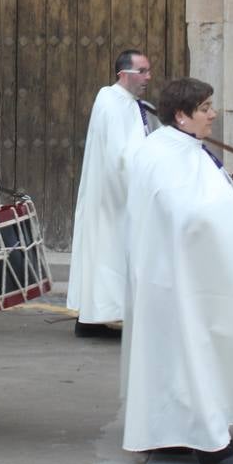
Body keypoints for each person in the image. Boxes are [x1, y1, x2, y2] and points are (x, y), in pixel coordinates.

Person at [120, 78, 233, 464]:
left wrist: (231, 206)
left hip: (180, 272)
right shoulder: (163, 153)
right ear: (181, 115)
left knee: (176, 357)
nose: (213, 114)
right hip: (171, 277)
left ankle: (171, 432)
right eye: (205, 107)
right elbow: (181, 213)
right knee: (189, 355)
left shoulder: (180, 148)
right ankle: (213, 446)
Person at [66, 50, 159, 338]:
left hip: (119, 194)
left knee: (110, 253)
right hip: (114, 195)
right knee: (108, 254)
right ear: (124, 73)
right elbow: (122, 153)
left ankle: (96, 317)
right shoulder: (111, 101)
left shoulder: (131, 103)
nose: (148, 77)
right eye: (142, 71)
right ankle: (98, 317)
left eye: (148, 71)